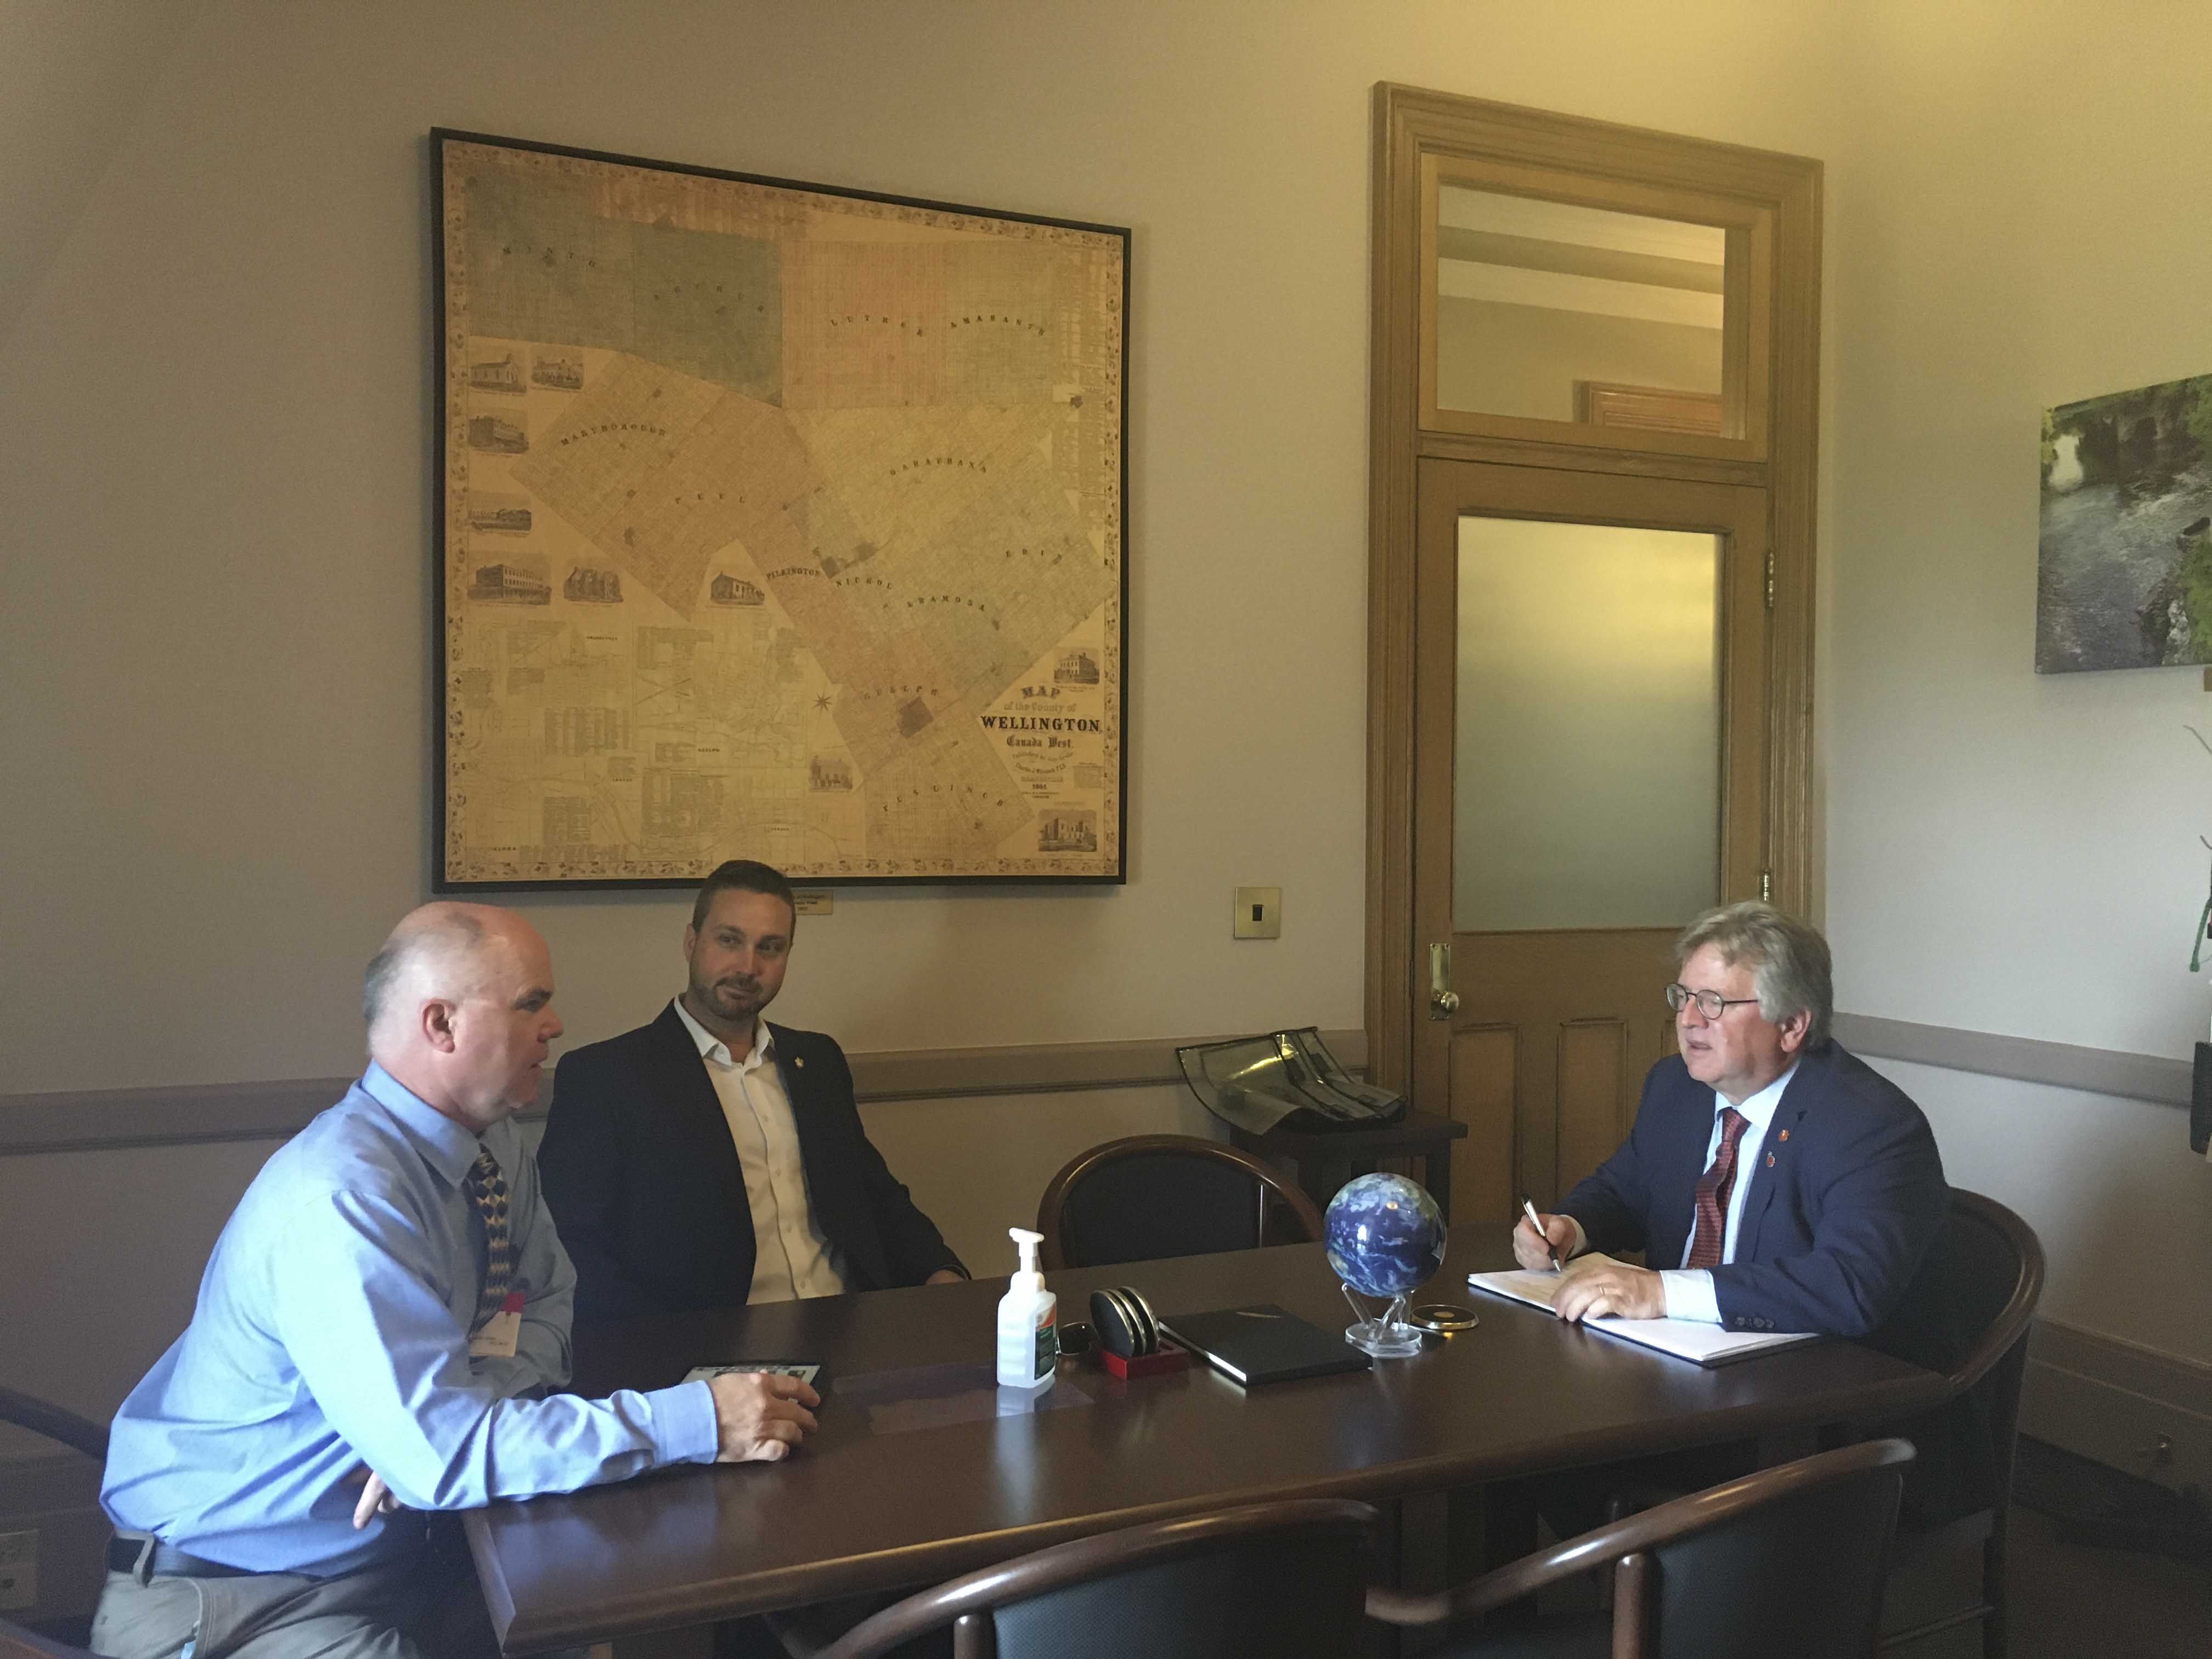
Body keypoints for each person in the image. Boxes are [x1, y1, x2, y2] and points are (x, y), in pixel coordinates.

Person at [91, 904, 820, 1659]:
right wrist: (700, 1421)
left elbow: (543, 1302)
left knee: (591, 1630)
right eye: (531, 1004)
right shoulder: (344, 1198)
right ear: (440, 1025)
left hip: (409, 1550)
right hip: (243, 1594)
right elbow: (444, 1459)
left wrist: (449, 1423)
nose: (557, 1024)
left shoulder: (491, 1144)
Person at [1513, 900, 1988, 1527]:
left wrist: (1659, 1292)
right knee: (1532, 1428)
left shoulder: (1868, 1124)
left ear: (1791, 1026)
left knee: (1558, 1449)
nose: (1687, 1021)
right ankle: (1603, 1599)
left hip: (1821, 1416)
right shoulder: (1676, 1088)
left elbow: (1849, 1286)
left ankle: (1648, 1602)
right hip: (1683, 1378)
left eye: (1713, 1003)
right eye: (1682, 996)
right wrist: (1571, 1227)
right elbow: (1627, 1188)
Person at [539, 860, 965, 1325]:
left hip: (848, 1324)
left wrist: (939, 1272)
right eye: (729, 940)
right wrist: (673, 1367)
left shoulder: (817, 1062)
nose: (748, 966)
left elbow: (874, 1194)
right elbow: (575, 1247)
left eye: (770, 948)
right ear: (691, 942)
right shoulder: (607, 1078)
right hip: (714, 1349)